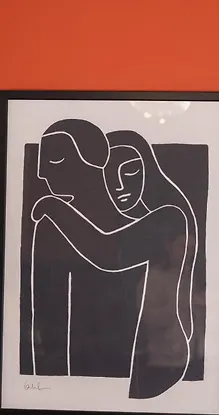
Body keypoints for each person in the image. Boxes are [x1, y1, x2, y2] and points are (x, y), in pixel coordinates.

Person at [32, 128, 197, 399]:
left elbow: (108, 253)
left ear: (148, 170)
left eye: (130, 170)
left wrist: (53, 206)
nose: (119, 184)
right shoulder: (120, 222)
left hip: (161, 357)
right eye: (107, 172)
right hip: (128, 354)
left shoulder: (169, 216)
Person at [31, 119, 145, 379]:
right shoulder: (52, 227)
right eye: (41, 161)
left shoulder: (143, 228)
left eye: (55, 159)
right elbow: (48, 320)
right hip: (74, 378)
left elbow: (106, 254)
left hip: (141, 368)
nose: (42, 173)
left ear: (93, 158)